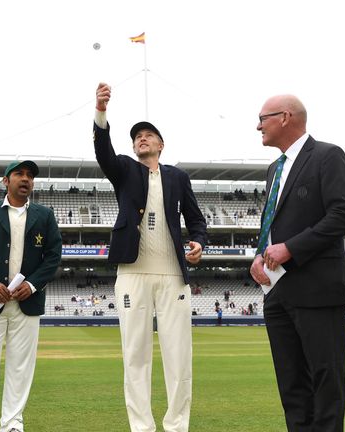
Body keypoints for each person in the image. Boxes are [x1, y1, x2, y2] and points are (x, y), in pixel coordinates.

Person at [93, 83, 207, 432]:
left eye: (149, 135)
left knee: (178, 357)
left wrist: (199, 242)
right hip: (132, 273)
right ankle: (141, 427)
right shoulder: (126, 169)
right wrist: (101, 113)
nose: (142, 139)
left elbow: (197, 220)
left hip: (174, 275)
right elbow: (103, 153)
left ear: (161, 144)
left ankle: (177, 425)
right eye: (137, 136)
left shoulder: (178, 177)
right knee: (135, 355)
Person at [249, 95, 345, 432]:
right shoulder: (274, 169)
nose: (258, 126)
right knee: (291, 383)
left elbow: (343, 214)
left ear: (285, 116)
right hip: (276, 291)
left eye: (262, 118)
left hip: (316, 287)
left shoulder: (327, 155)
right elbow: (274, 222)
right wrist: (258, 254)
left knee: (325, 380)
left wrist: (290, 249)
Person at [0, 160, 62, 432]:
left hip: (27, 304)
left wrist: (31, 285)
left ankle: (12, 423)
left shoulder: (45, 215)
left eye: (30, 175)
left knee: (21, 366)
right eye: (19, 173)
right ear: (5, 181)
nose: (25, 179)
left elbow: (53, 257)